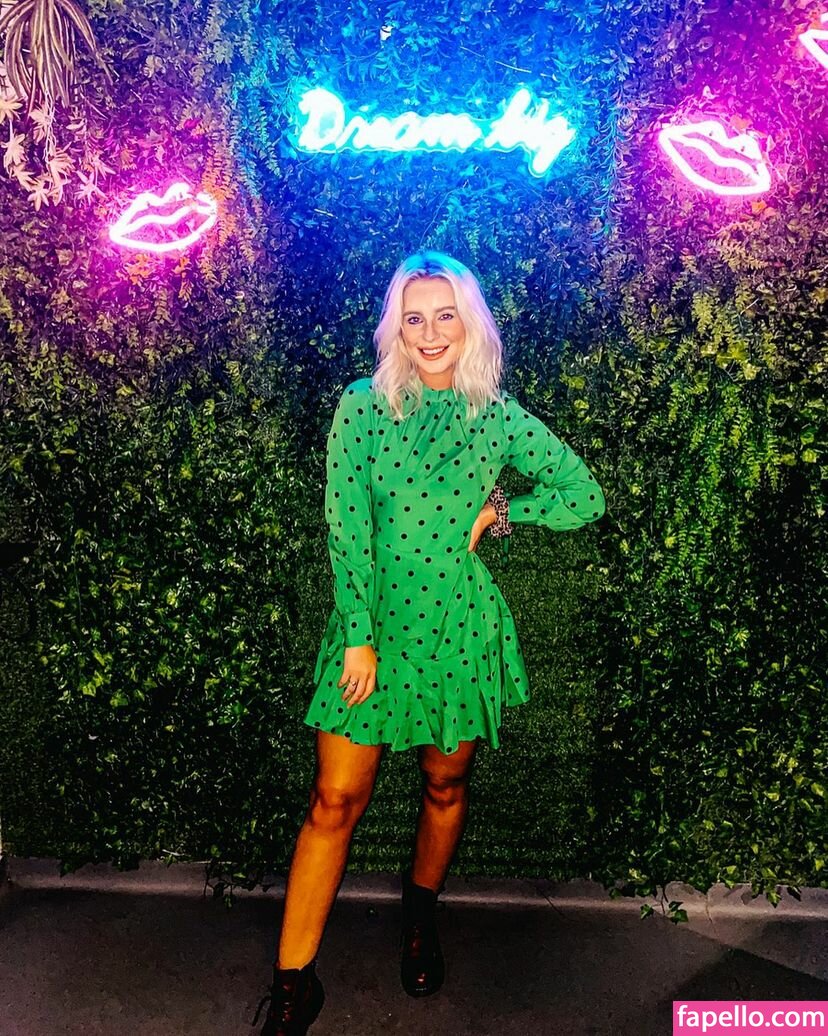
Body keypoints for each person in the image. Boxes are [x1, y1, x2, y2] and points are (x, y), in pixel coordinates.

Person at [251, 252, 606, 1035]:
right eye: (415, 318)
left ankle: (419, 916)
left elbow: (585, 495)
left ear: (470, 323)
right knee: (333, 800)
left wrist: (503, 514)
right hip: (372, 636)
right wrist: (358, 638)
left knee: (445, 786)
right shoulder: (363, 406)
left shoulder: (497, 416)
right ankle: (293, 983)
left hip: (457, 632)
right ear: (397, 330)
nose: (431, 332)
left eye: (446, 315)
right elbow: (346, 528)